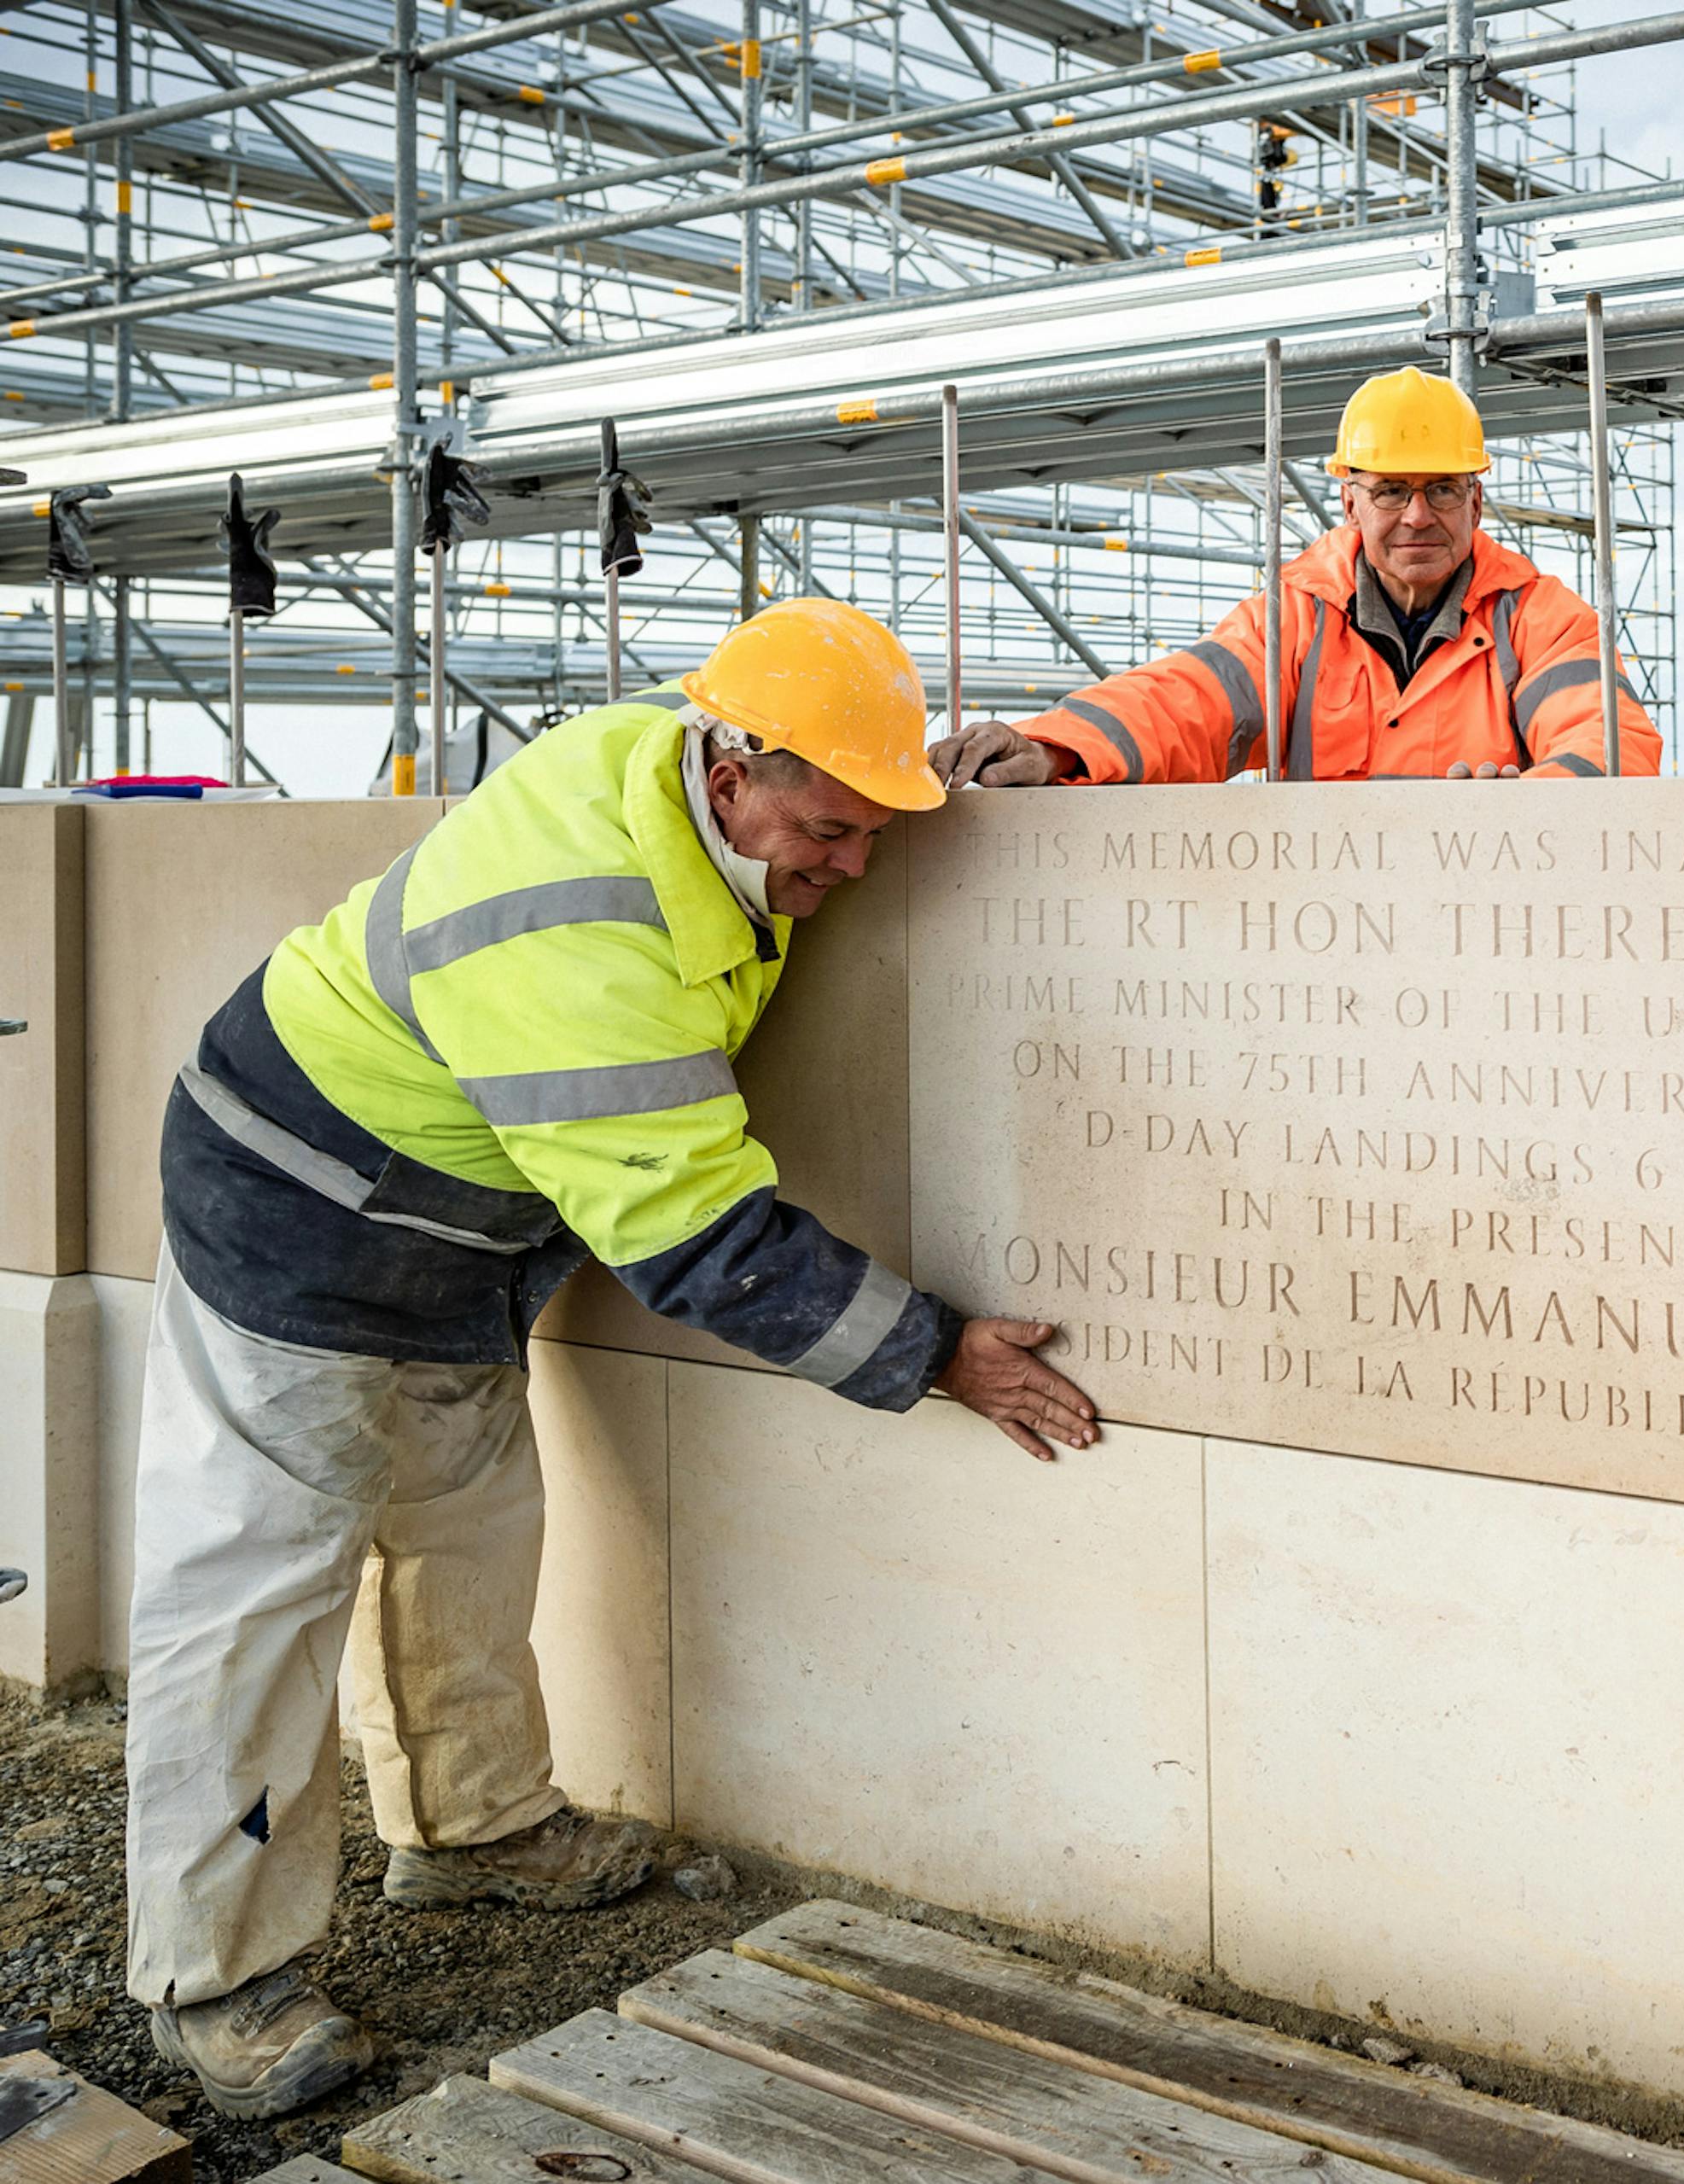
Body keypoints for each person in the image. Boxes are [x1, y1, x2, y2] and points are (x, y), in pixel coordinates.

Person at [127, 598, 1100, 2119]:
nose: (851, 864)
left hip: (452, 1218)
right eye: (832, 827)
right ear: (733, 774)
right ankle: (218, 1976)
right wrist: (931, 1354)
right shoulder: (583, 921)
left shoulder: (685, 770)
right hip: (295, 1199)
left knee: (467, 1518)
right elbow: (700, 1235)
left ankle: (473, 1827)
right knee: (257, 1584)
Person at [927, 366, 1659, 788]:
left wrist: (1537, 807)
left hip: (1486, 922)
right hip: (1331, 929)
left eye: (1441, 489)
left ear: (1476, 500)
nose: (1416, 515)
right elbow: (1187, 702)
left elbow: (1611, 745)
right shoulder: (1298, 619)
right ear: (1350, 501)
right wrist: (1054, 747)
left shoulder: (1538, 619)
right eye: (1389, 491)